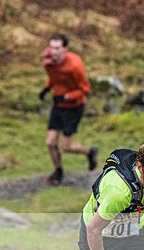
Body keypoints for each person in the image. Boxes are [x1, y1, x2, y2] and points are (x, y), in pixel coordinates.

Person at [38, 33, 98, 185]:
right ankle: (58, 172)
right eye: (51, 47)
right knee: (50, 143)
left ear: (65, 49)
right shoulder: (47, 60)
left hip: (74, 107)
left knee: (66, 147)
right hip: (57, 106)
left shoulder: (74, 65)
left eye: (57, 48)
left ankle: (90, 152)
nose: (54, 52)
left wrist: (66, 97)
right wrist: (46, 88)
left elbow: (85, 89)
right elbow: (54, 77)